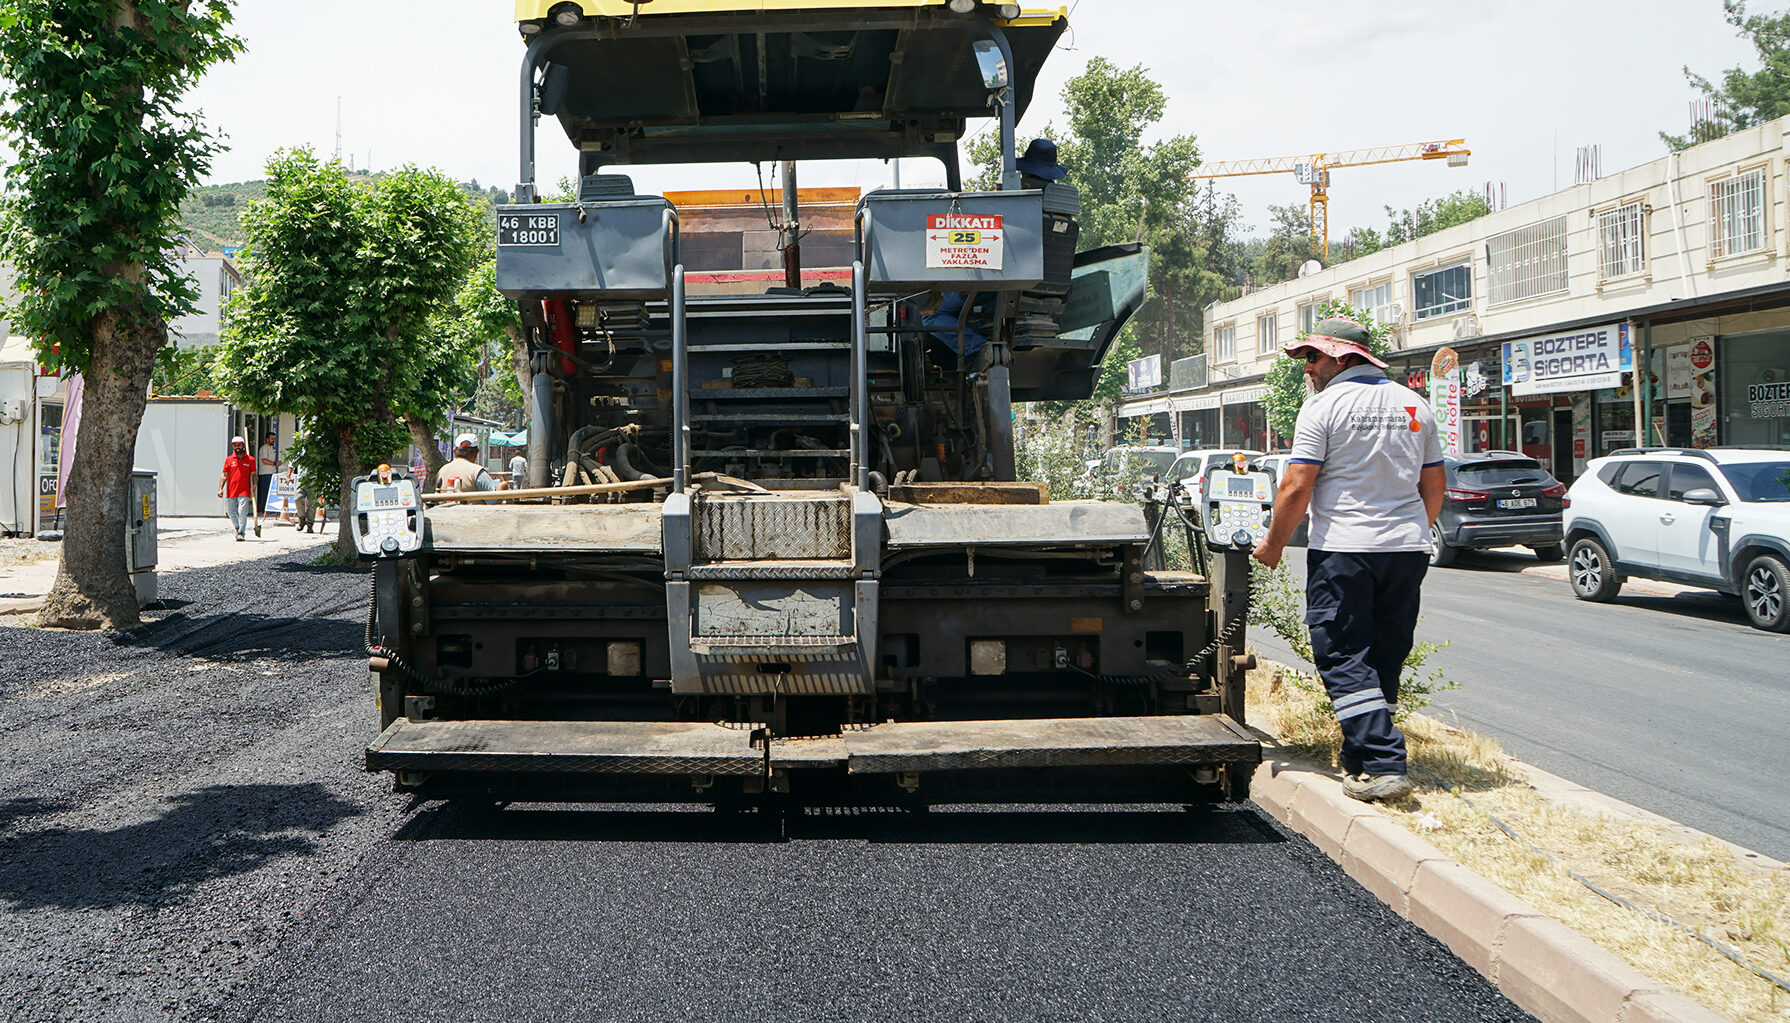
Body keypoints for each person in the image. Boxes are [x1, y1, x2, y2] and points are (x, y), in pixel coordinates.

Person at [1251, 318, 1446, 803]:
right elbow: (1434, 485)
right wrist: (1410, 529)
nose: (1308, 370)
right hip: (1405, 549)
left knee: (1340, 652)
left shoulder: (1324, 408)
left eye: (1312, 359)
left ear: (1341, 357)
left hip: (1345, 549)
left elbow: (1297, 485)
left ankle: (1383, 762)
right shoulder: (1413, 403)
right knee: (1384, 651)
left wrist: (1274, 544)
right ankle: (1360, 757)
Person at [436, 434, 508, 494]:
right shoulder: (477, 472)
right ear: (476, 453)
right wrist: (502, 487)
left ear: (454, 451)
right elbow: (493, 500)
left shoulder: (442, 470)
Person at [217, 435, 256, 541]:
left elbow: (253, 474)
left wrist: (254, 484)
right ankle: (238, 527)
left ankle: (241, 532)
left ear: (243, 445)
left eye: (239, 445)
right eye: (235, 445)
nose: (237, 447)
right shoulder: (229, 460)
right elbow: (224, 475)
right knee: (230, 512)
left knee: (242, 511)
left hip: (244, 490)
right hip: (231, 491)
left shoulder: (250, 459)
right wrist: (220, 488)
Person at [256, 431, 279, 510]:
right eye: (271, 439)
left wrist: (276, 463)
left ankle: (268, 508)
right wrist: (274, 464)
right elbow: (264, 460)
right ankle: (264, 508)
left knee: (269, 492)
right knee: (265, 492)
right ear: (267, 439)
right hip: (265, 473)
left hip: (271, 473)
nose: (273, 440)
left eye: (274, 439)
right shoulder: (264, 448)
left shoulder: (271, 448)